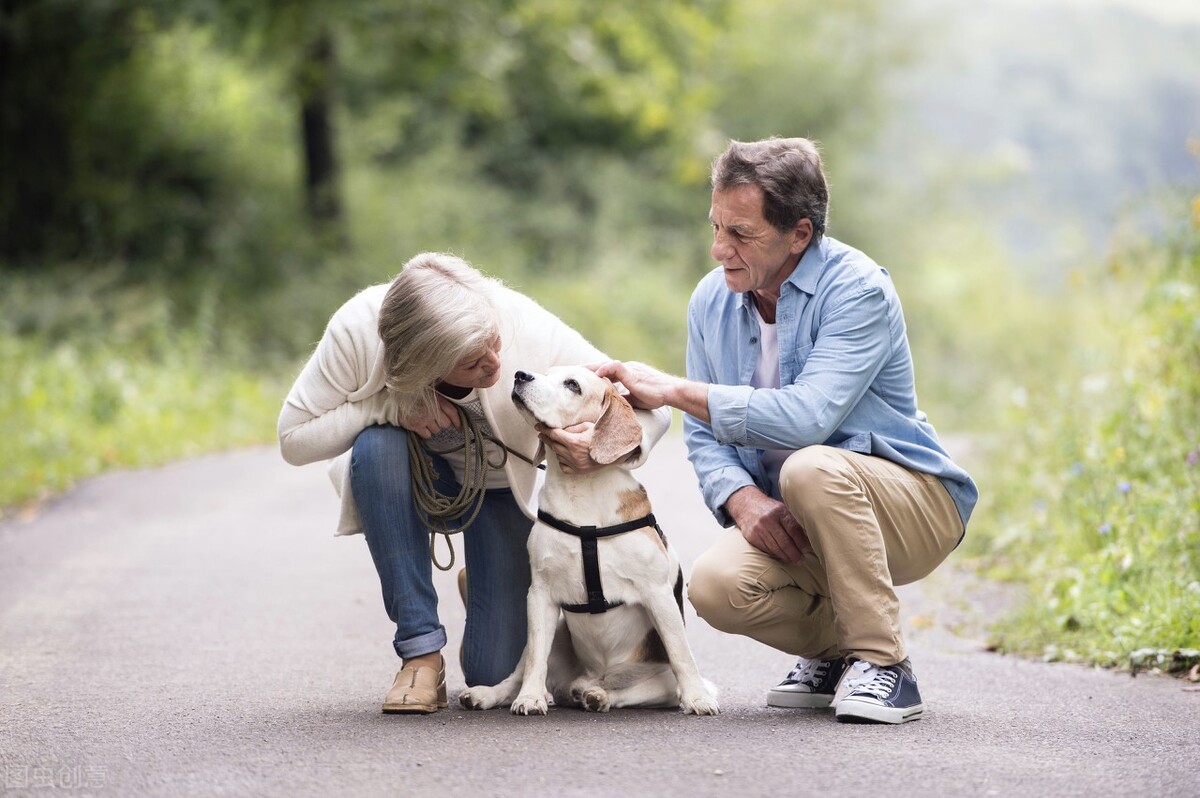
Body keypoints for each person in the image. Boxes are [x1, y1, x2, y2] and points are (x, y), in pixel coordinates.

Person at [593, 137, 978, 725]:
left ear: (799, 234)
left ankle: (885, 664)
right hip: (799, 517)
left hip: (913, 506)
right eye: (716, 226)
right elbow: (705, 437)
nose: (720, 248)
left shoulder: (858, 289)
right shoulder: (711, 299)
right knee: (715, 586)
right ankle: (834, 653)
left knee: (810, 465)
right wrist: (742, 500)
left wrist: (672, 390)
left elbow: (808, 418)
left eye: (740, 233)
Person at [278, 252, 670, 715]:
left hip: (505, 492)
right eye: (471, 362)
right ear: (421, 365)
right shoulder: (358, 330)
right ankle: (420, 653)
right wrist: (387, 409)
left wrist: (599, 447)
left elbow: (649, 409)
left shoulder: (523, 324)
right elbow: (293, 438)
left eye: (492, 343)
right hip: (413, 476)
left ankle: (484, 580)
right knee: (376, 449)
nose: (494, 365)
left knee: (492, 672)